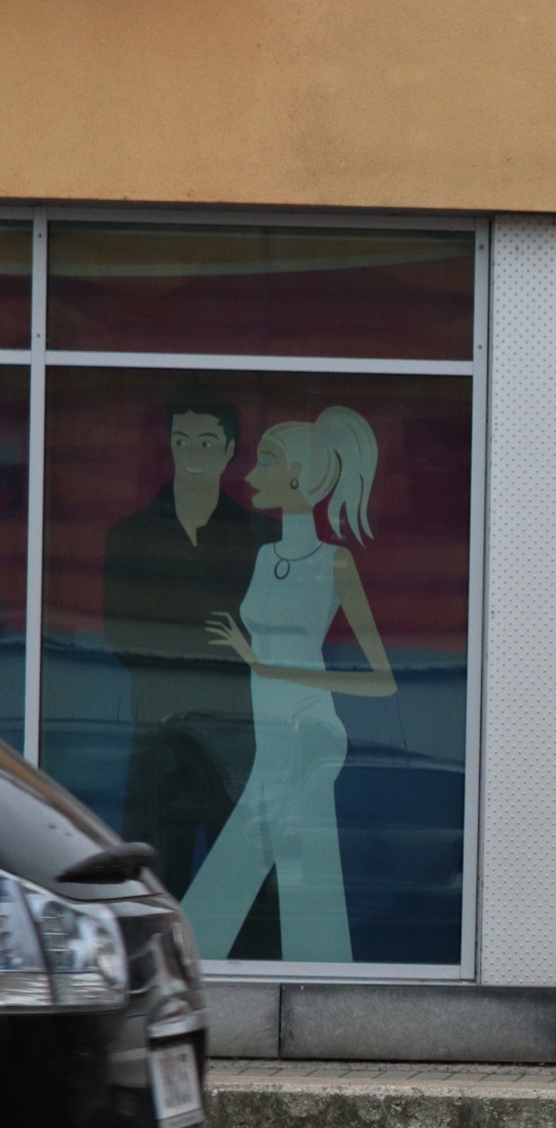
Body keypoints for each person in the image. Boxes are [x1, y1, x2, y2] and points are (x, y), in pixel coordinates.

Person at [183, 407, 396, 964]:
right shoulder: (263, 556)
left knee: (252, 861)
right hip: (273, 738)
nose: (251, 474)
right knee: (303, 874)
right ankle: (324, 979)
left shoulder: (335, 563)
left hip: (309, 732)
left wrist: (266, 664)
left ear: (300, 476)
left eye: (267, 462)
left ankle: (180, 968)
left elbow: (381, 680)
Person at [100, 386, 277, 896]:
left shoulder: (260, 537)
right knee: (151, 882)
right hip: (158, 729)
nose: (192, 454)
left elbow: (268, 632)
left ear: (227, 450)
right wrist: (216, 635)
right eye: (181, 441)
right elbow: (123, 635)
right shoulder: (129, 535)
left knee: (246, 883)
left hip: (237, 729)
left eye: (205, 442)